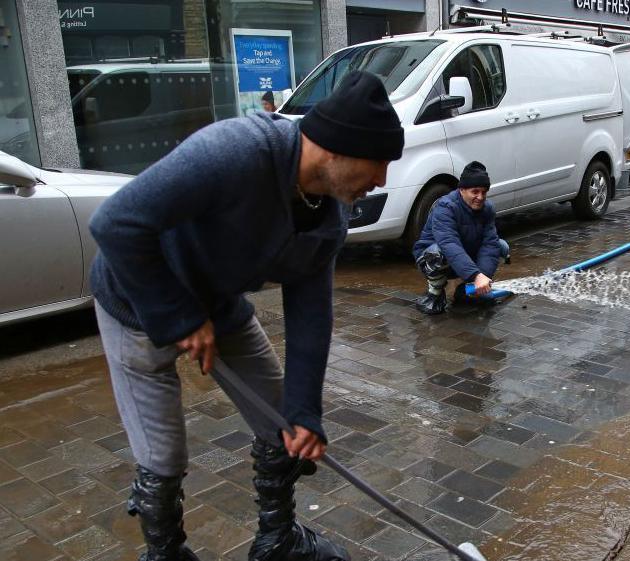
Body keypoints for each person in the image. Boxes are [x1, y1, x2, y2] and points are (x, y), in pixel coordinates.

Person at [88, 70, 403, 561]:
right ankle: (166, 553)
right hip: (137, 297)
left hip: (217, 303)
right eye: (378, 163)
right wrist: (178, 317)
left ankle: (277, 540)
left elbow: (311, 313)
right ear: (336, 150)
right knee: (164, 453)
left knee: (282, 424)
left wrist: (305, 413)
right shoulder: (237, 152)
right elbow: (116, 224)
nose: (382, 179)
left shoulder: (328, 215)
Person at [412, 161, 510, 315]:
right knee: (439, 252)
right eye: (475, 191)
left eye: (484, 192)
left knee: (501, 246)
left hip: (464, 260)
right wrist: (476, 275)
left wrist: (480, 279)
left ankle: (466, 291)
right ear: (462, 190)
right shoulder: (445, 208)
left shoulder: (488, 209)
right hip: (434, 258)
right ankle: (434, 293)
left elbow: (489, 244)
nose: (480, 197)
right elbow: (450, 244)